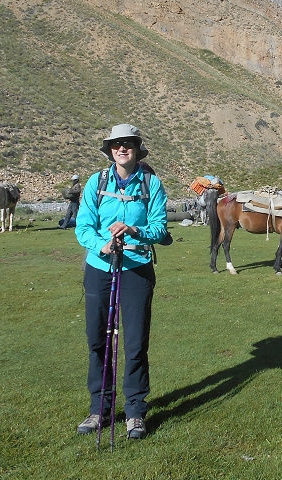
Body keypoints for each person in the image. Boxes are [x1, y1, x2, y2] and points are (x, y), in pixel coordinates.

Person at [74, 124, 168, 440]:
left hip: (137, 269)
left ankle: (136, 412)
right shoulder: (95, 183)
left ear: (137, 148)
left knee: (136, 342)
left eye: (128, 143)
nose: (122, 148)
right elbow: (83, 226)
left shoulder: (151, 184)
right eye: (116, 144)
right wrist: (102, 244)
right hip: (100, 267)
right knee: (97, 339)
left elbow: (160, 228)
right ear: (110, 149)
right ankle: (100, 410)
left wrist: (134, 231)